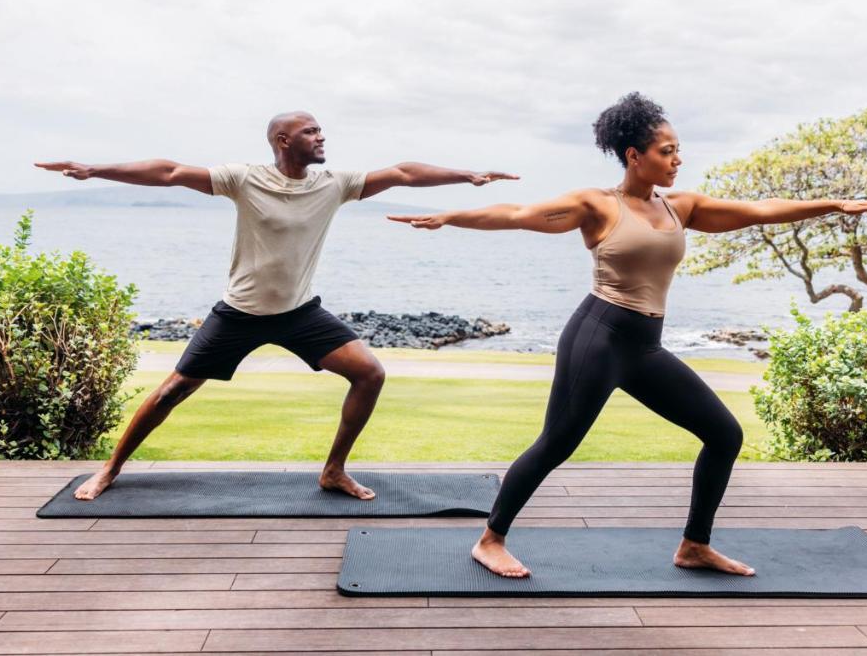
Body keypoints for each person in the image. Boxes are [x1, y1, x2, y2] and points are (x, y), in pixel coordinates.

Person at [388, 92, 867, 577]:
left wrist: (833, 204)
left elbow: (760, 209)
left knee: (723, 435)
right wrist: (451, 216)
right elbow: (519, 216)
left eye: (677, 151)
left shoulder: (682, 208)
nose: (677, 160)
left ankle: (695, 545)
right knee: (556, 443)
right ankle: (490, 540)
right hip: (598, 337)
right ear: (634, 155)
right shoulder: (598, 206)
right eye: (666, 151)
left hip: (645, 347)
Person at [36, 110, 516, 502]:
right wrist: (95, 169)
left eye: (321, 129)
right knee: (171, 392)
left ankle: (333, 471)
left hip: (299, 313)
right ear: (283, 140)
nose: (322, 136)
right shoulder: (244, 179)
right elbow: (171, 172)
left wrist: (466, 175)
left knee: (369, 373)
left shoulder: (335, 183)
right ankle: (109, 470)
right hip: (239, 314)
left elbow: (404, 172)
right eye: (311, 131)